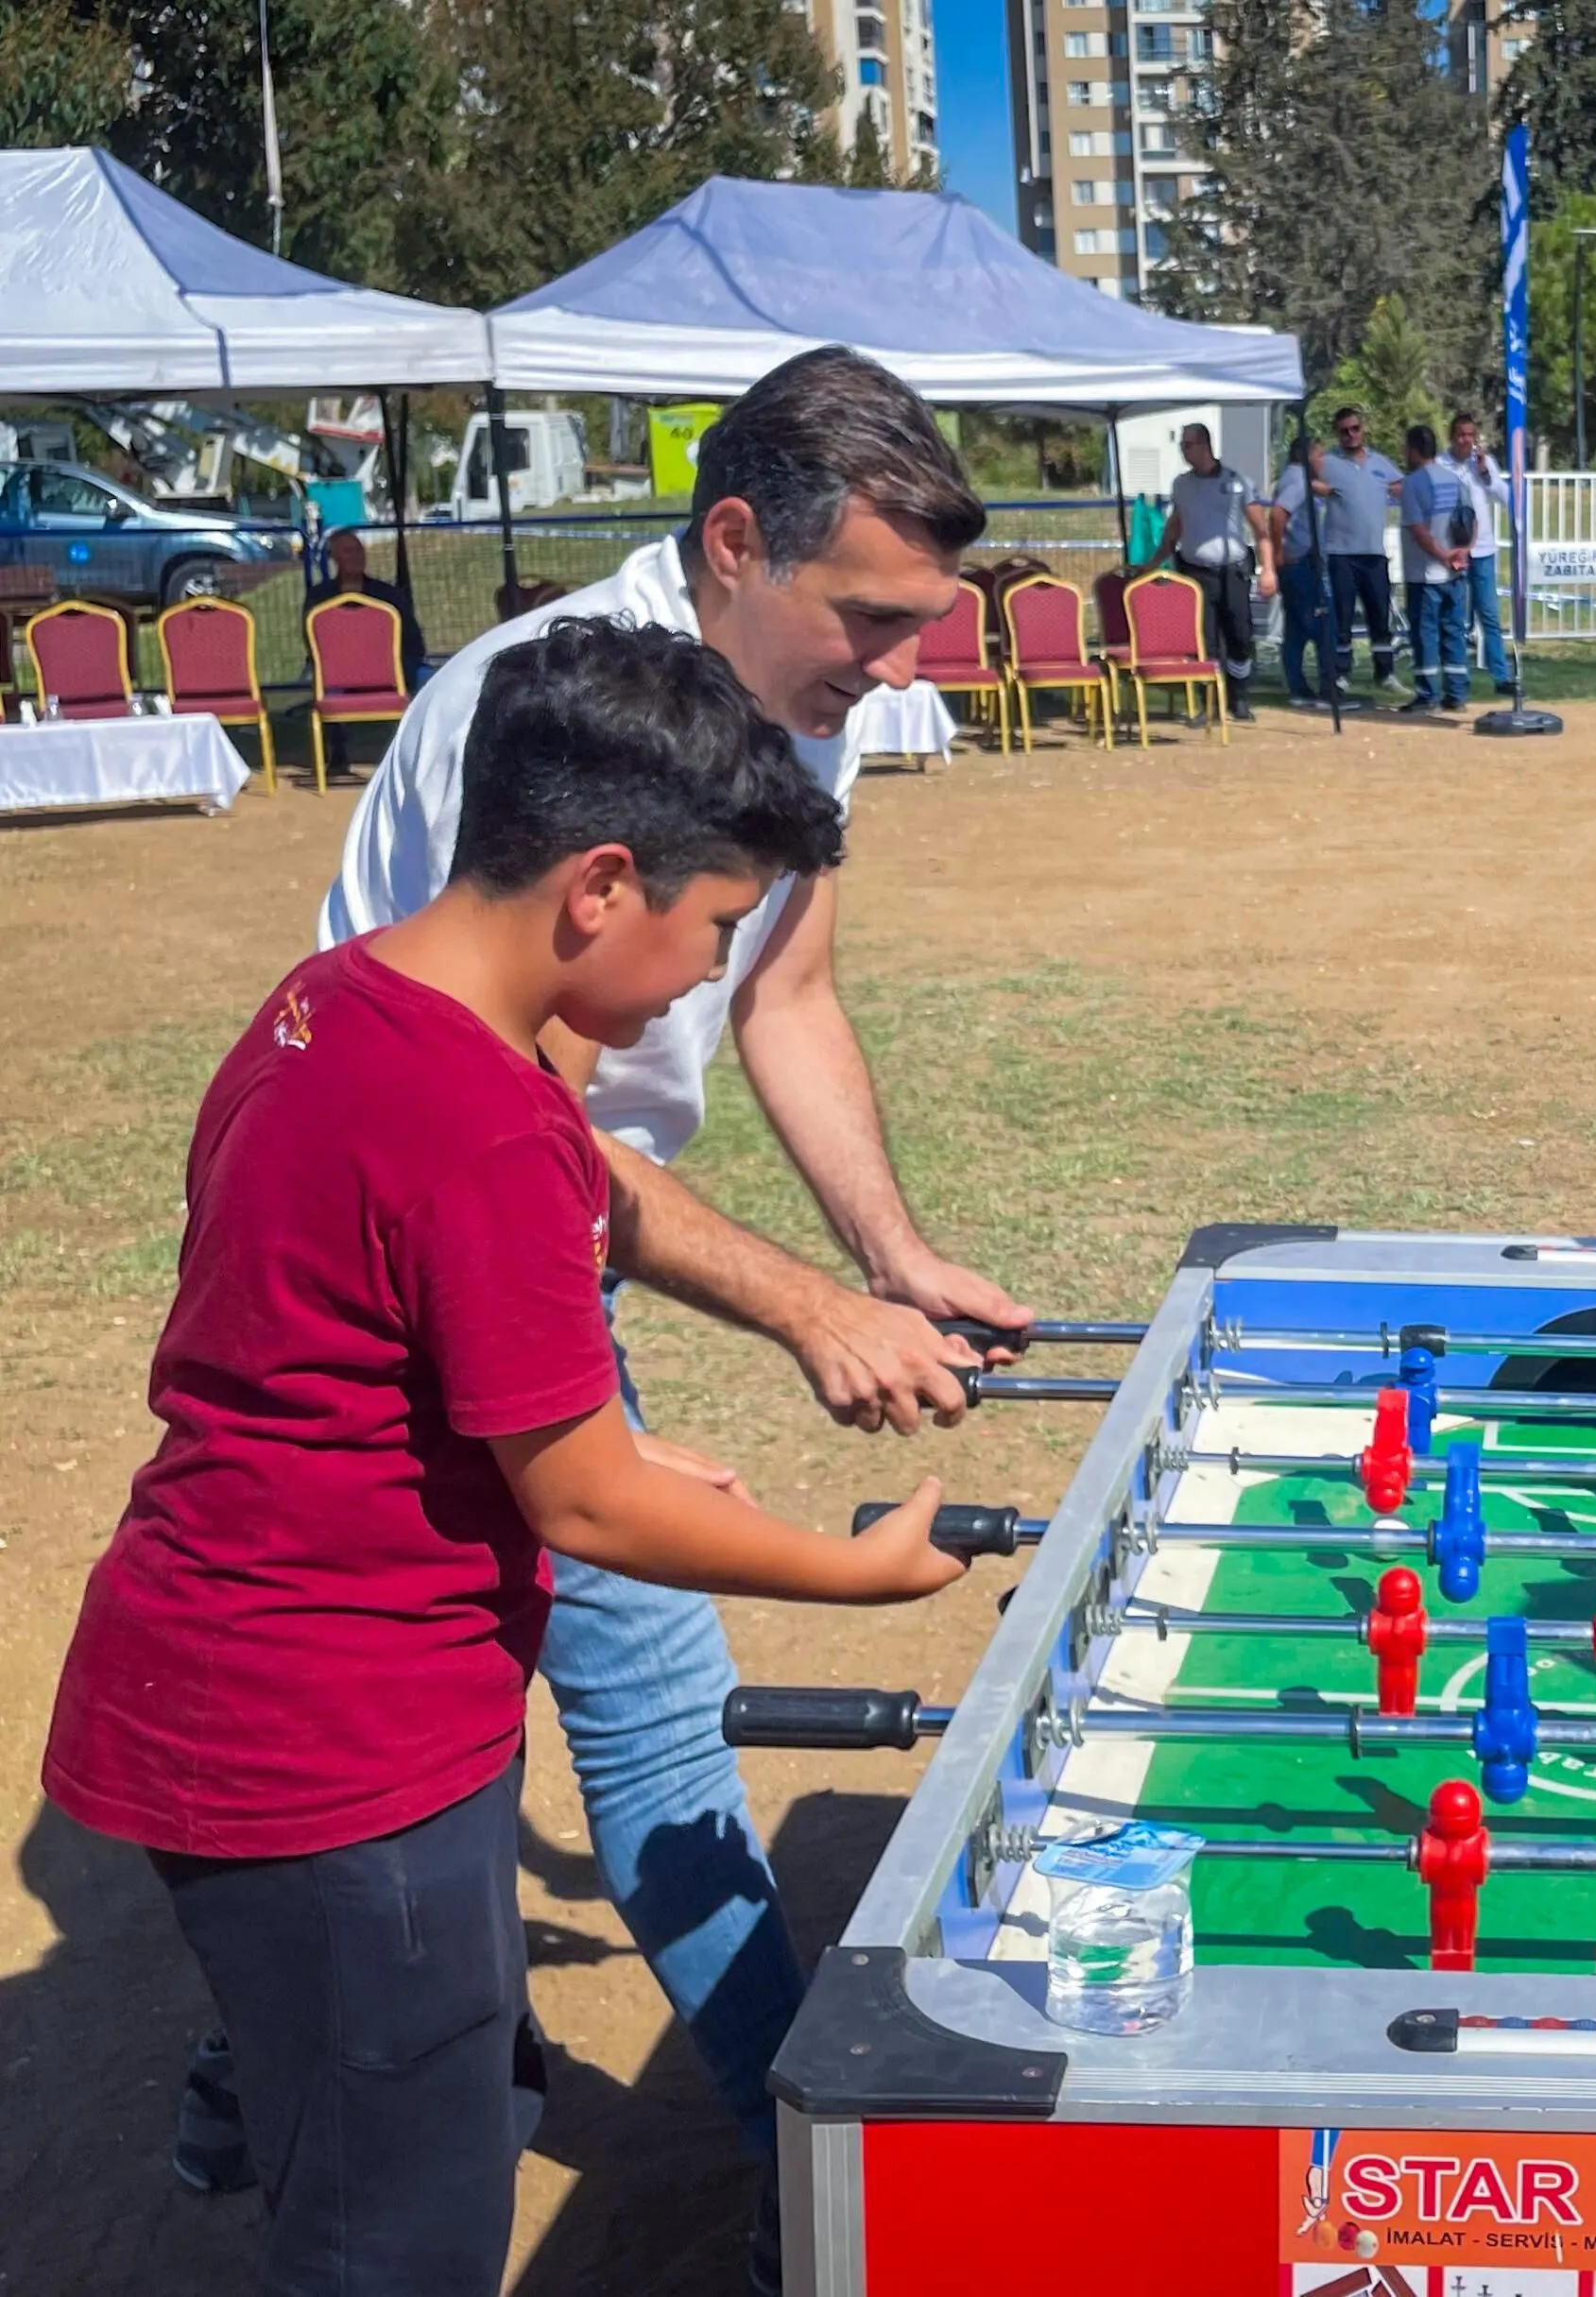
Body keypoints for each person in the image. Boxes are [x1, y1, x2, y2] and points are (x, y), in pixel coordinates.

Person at [43, 617, 972, 2296]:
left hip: (325, 1692)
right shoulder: (480, 1126)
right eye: (710, 930)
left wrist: (618, 1443)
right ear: (599, 886)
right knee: (397, 2231)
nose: (707, 973)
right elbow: (581, 1498)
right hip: (322, 1748)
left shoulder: (346, 1002)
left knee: (421, 2098)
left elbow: (373, 1360)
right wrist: (858, 1570)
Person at [303, 347, 1030, 2269]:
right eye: (869, 618)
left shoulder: (814, 699)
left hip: (551, 1227)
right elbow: (501, 1116)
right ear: (730, 545)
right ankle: (822, 2160)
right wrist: (800, 1310)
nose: (895, 667)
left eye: (918, 628)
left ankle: (305, 2041)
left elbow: (784, 992)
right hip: (465, 1243)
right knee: (640, 1708)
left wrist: (887, 1254)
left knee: (518, 1701)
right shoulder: (529, 710)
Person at [1158, 420, 1270, 724]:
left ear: (1205, 446)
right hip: (1196, 573)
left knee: (1240, 637)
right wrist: (1154, 562)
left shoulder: (1237, 482)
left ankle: (1239, 697)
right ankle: (1209, 703)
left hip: (1232, 571)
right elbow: (1175, 527)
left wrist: (1268, 569)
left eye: (1188, 445)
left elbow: (1261, 528)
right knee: (1202, 640)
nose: (1183, 451)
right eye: (1182, 445)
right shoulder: (1182, 485)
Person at [1305, 404, 1401, 698]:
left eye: (1355, 429)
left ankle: (1385, 672)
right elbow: (1302, 472)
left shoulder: (1379, 462)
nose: (1350, 435)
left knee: (1379, 616)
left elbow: (1401, 484)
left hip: (1373, 552)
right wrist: (1318, 487)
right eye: (1344, 431)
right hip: (1341, 554)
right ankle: (1342, 673)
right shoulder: (1329, 462)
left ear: (1363, 429)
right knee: (1343, 618)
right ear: (1338, 434)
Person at [1266, 434, 1353, 711]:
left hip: (1300, 562)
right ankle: (1328, 685)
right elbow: (1278, 514)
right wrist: (1279, 552)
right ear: (1306, 457)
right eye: (1318, 455)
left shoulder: (1296, 478)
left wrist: (1327, 491)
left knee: (1295, 628)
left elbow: (1305, 490)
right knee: (1321, 622)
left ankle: (1298, 686)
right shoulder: (1297, 480)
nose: (1322, 460)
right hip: (1301, 562)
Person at [1396, 422, 1471, 715]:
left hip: (1425, 574)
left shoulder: (1413, 484)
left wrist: (1442, 556)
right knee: (1453, 632)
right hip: (1455, 573)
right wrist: (1462, 553)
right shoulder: (1454, 480)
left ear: (1413, 450)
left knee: (1425, 634)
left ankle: (1428, 695)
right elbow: (1470, 520)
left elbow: (1418, 531)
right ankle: (1457, 693)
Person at [1444, 411, 1519, 700]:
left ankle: (1501, 676)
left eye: (1470, 435)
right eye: (1461, 435)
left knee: (1488, 615)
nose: (1466, 440)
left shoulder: (1484, 464)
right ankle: (1458, 678)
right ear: (1452, 437)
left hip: (1483, 550)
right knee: (1457, 616)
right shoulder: (1442, 464)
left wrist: (1487, 475)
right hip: (1455, 550)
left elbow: (1507, 497)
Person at [305, 524, 428, 687]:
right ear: (334, 558)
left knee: (435, 680)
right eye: (348, 551)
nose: (356, 556)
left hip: (392, 670)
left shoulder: (389, 595)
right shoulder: (319, 598)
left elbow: (414, 642)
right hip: (339, 674)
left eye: (359, 550)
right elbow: (316, 644)